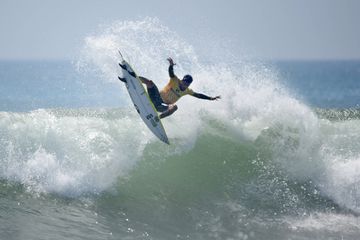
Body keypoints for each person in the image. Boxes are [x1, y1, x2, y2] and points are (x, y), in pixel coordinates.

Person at [139, 58, 221, 119]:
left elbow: (199, 95)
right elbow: (171, 73)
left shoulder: (187, 91)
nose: (185, 85)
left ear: (189, 85)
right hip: (156, 97)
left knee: (174, 107)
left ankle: (158, 118)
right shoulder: (175, 80)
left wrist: (210, 98)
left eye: (187, 84)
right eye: (184, 82)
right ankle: (134, 78)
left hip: (161, 106)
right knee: (150, 82)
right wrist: (171, 66)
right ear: (182, 80)